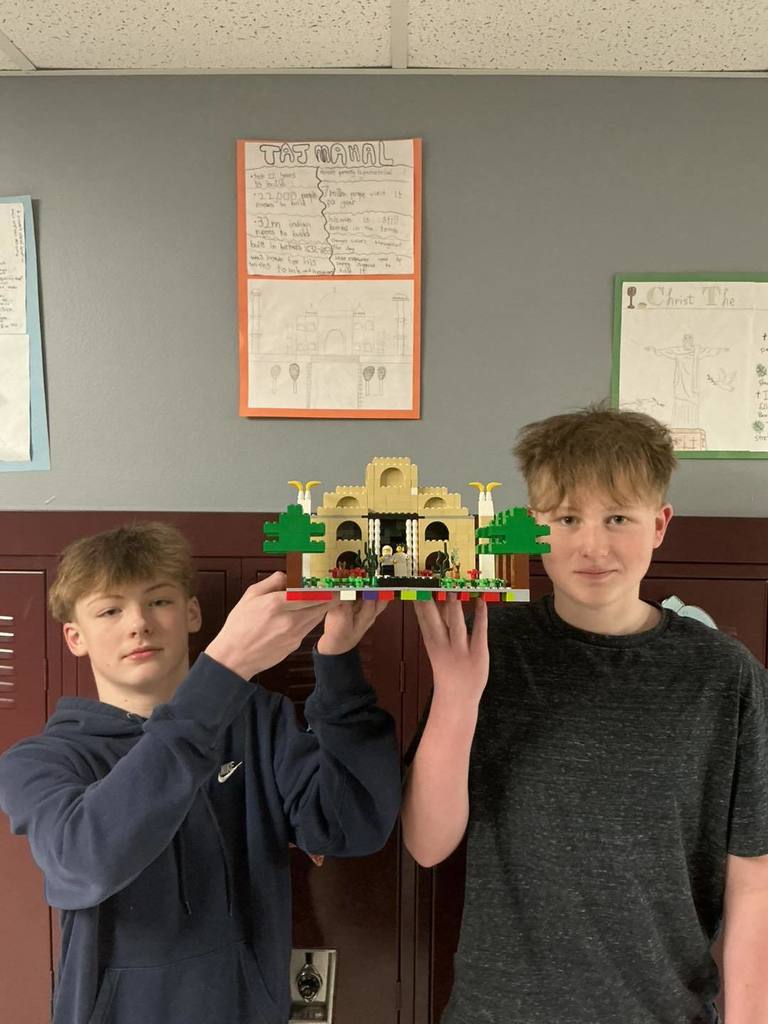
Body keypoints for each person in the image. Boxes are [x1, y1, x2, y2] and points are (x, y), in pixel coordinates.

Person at [402, 404, 768, 1024]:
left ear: (660, 523)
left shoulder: (724, 675)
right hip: (499, 1011)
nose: (592, 545)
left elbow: (753, 878)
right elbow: (427, 844)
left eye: (618, 517)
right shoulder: (487, 644)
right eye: (567, 518)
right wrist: (459, 699)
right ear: (533, 526)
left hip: (662, 1009)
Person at [0, 522, 400, 1024]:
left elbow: (352, 827)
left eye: (159, 602)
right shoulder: (38, 762)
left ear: (192, 613)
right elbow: (86, 862)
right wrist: (224, 670)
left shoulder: (259, 722)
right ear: (75, 638)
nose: (139, 624)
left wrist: (339, 661)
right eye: (110, 610)